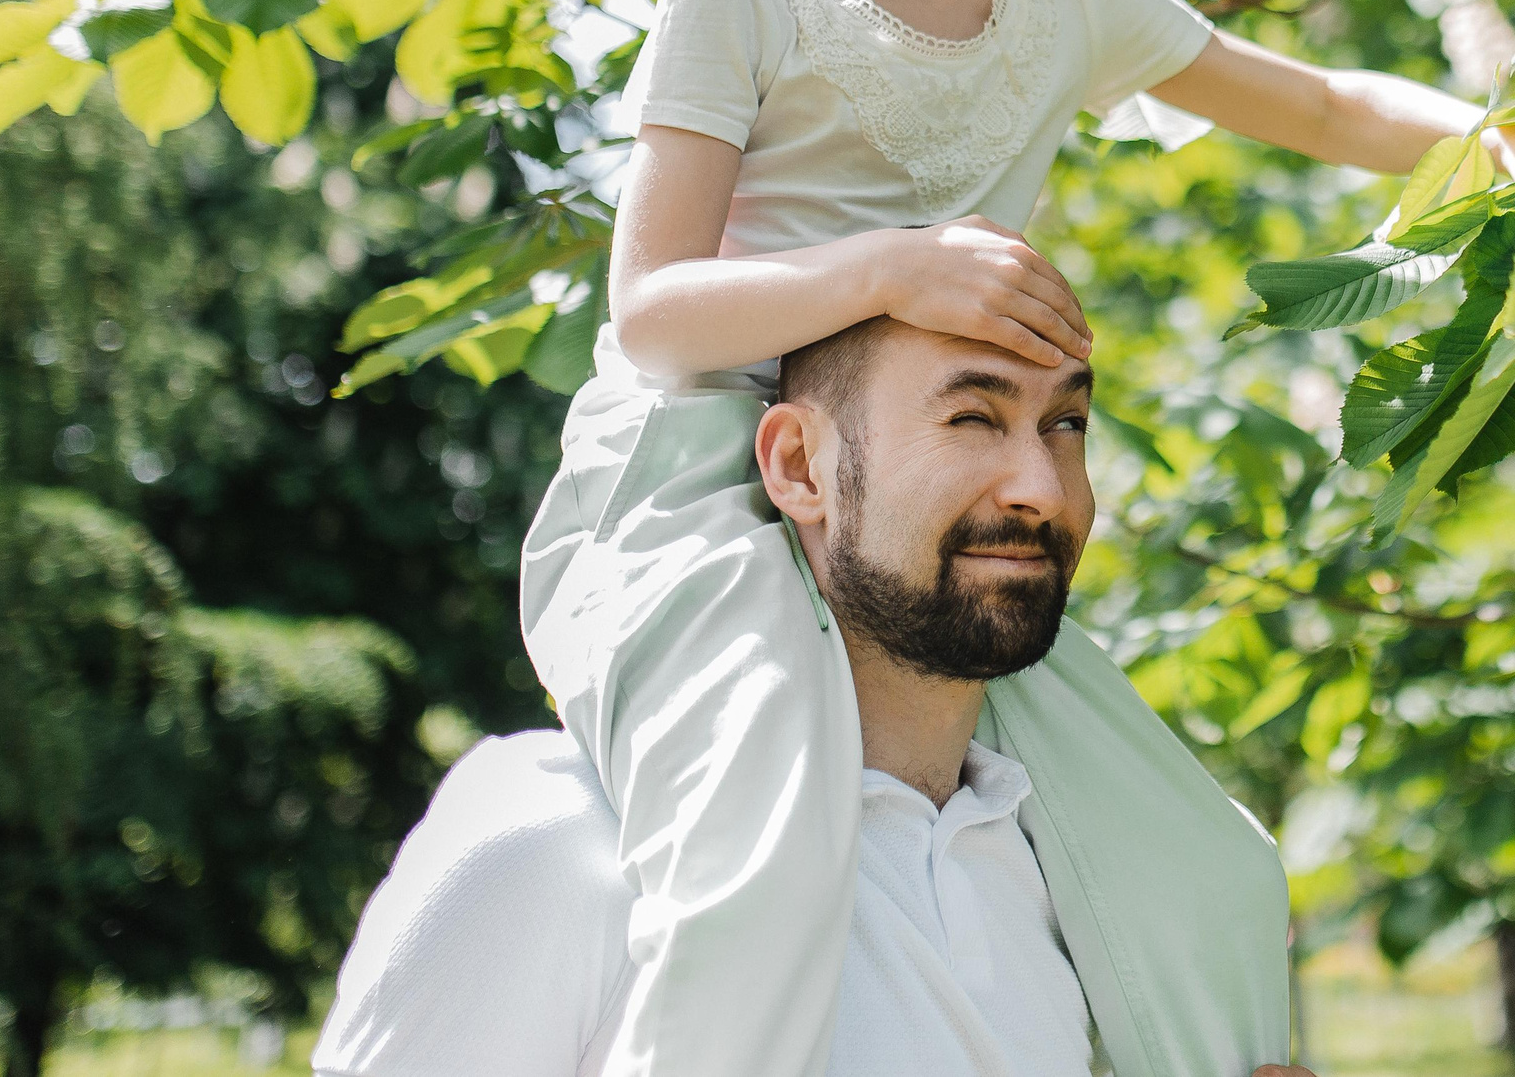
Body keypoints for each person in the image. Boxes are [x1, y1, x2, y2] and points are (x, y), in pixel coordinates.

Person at [522, 0, 1515, 1077]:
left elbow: (1315, 100)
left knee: (1203, 869)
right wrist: (898, 265)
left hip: (944, 490)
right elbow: (651, 313)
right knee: (755, 857)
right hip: (711, 476)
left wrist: (1498, 146)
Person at [323, 319, 1313, 1077]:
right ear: (800, 466)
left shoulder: (1075, 882)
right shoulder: (553, 838)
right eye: (972, 417)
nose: (1041, 488)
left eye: (1065, 425)